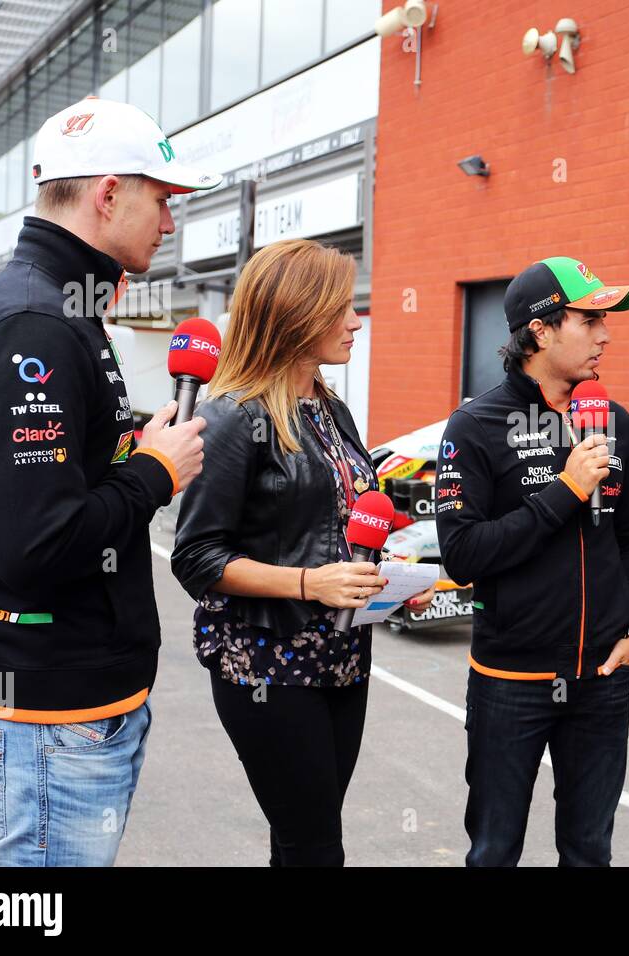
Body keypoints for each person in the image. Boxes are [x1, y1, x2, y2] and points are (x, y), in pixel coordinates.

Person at [0, 96, 217, 866]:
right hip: (46, 711)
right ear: (106, 193)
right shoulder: (36, 322)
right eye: (161, 200)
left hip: (71, 705)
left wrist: (133, 449)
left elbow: (66, 482)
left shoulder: (61, 308)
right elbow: (36, 544)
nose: (169, 222)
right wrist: (154, 475)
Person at [171, 239, 435, 867]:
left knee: (300, 842)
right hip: (267, 666)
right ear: (296, 314)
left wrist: (391, 580)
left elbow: (346, 522)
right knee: (317, 848)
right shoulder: (233, 417)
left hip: (342, 658)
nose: (355, 321)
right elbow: (196, 557)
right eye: (341, 308)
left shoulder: (330, 407)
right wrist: (309, 584)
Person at [435, 256, 629, 867]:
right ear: (540, 330)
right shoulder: (474, 424)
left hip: (604, 679)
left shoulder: (615, 422)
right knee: (494, 849)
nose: (606, 335)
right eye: (590, 319)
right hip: (512, 681)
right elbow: (462, 554)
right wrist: (564, 493)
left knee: (589, 850)